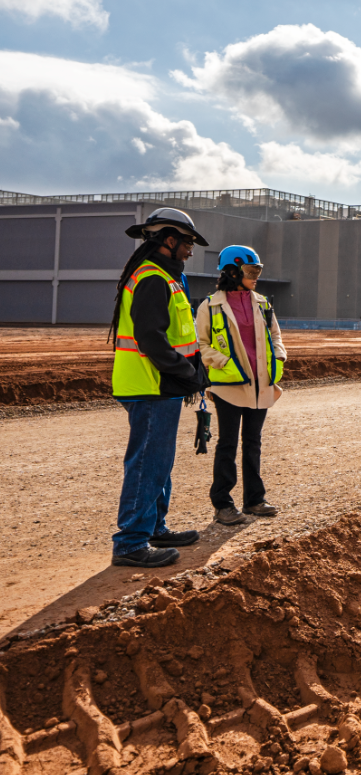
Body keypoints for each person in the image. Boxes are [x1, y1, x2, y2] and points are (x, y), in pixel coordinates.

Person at [109, 208, 208, 568]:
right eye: (188, 242)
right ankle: (130, 543)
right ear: (169, 240)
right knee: (148, 464)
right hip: (150, 385)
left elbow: (176, 336)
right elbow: (151, 339)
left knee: (159, 463)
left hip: (160, 385)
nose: (191, 250)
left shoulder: (166, 277)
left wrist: (191, 372)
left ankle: (153, 528)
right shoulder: (152, 278)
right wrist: (187, 374)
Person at [195, 245, 287, 525]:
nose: (256, 276)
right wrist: (221, 361)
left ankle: (255, 500)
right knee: (227, 443)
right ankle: (223, 504)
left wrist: (280, 357)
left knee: (253, 442)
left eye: (258, 271)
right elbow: (200, 344)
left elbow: (275, 335)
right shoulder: (209, 305)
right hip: (229, 385)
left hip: (260, 383)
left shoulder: (262, 303)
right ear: (232, 272)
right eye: (251, 271)